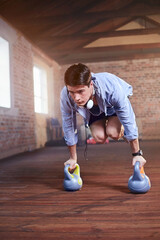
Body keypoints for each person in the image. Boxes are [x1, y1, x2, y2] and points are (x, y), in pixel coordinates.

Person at [60, 63, 146, 170]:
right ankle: (106, 123)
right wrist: (73, 158)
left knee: (113, 132)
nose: (76, 98)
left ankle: (119, 127)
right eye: (72, 92)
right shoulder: (65, 96)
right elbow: (69, 125)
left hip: (112, 106)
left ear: (91, 85)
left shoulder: (112, 89)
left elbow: (128, 119)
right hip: (93, 109)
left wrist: (137, 154)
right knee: (99, 137)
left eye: (80, 91)